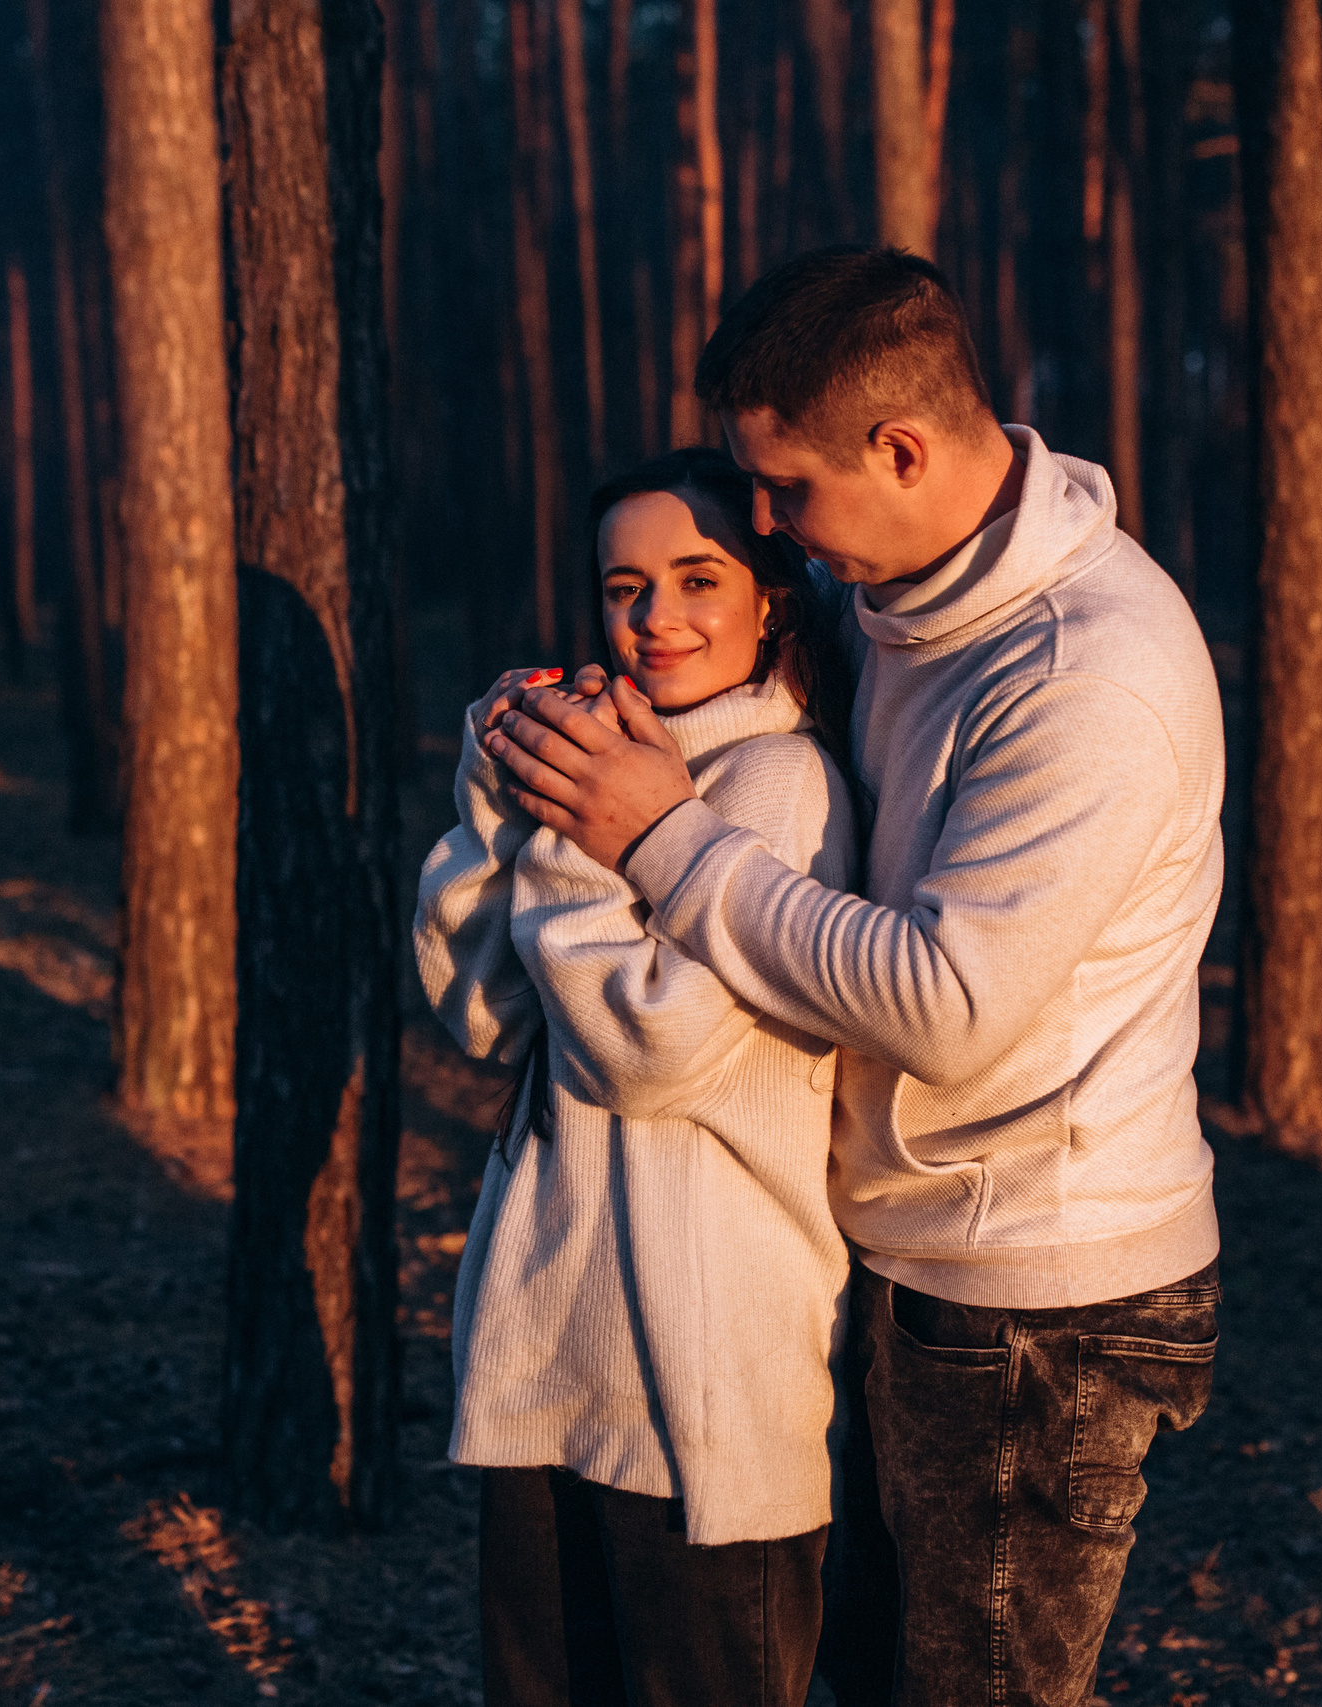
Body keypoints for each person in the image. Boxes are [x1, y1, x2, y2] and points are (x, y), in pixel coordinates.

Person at [483, 247, 1226, 1707]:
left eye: (788, 491)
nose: (765, 525)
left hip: (1040, 1300)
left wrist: (664, 835)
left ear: (902, 448)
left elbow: (952, 1004)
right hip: (909, 1261)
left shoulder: (1092, 671)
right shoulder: (904, 600)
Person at [412, 448, 862, 1707]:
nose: (656, 617)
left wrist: (575, 836)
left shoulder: (780, 783)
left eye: (696, 577)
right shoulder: (609, 762)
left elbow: (642, 1051)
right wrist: (498, 801)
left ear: (770, 595)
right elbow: (485, 1018)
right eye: (625, 587)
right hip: (551, 1351)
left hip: (700, 1380)